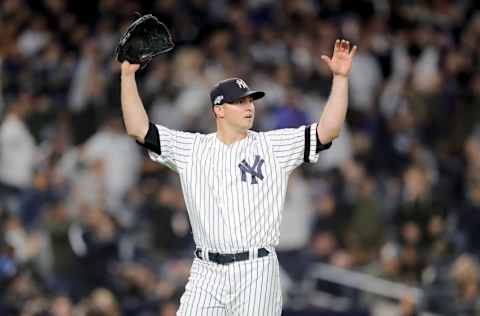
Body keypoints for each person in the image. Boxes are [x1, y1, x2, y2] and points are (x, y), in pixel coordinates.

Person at [120, 39, 356, 315]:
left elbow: (327, 131)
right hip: (206, 270)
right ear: (219, 110)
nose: (249, 107)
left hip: (256, 269)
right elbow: (139, 130)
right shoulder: (192, 148)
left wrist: (340, 79)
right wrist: (127, 76)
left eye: (250, 101)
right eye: (240, 102)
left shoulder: (272, 146)